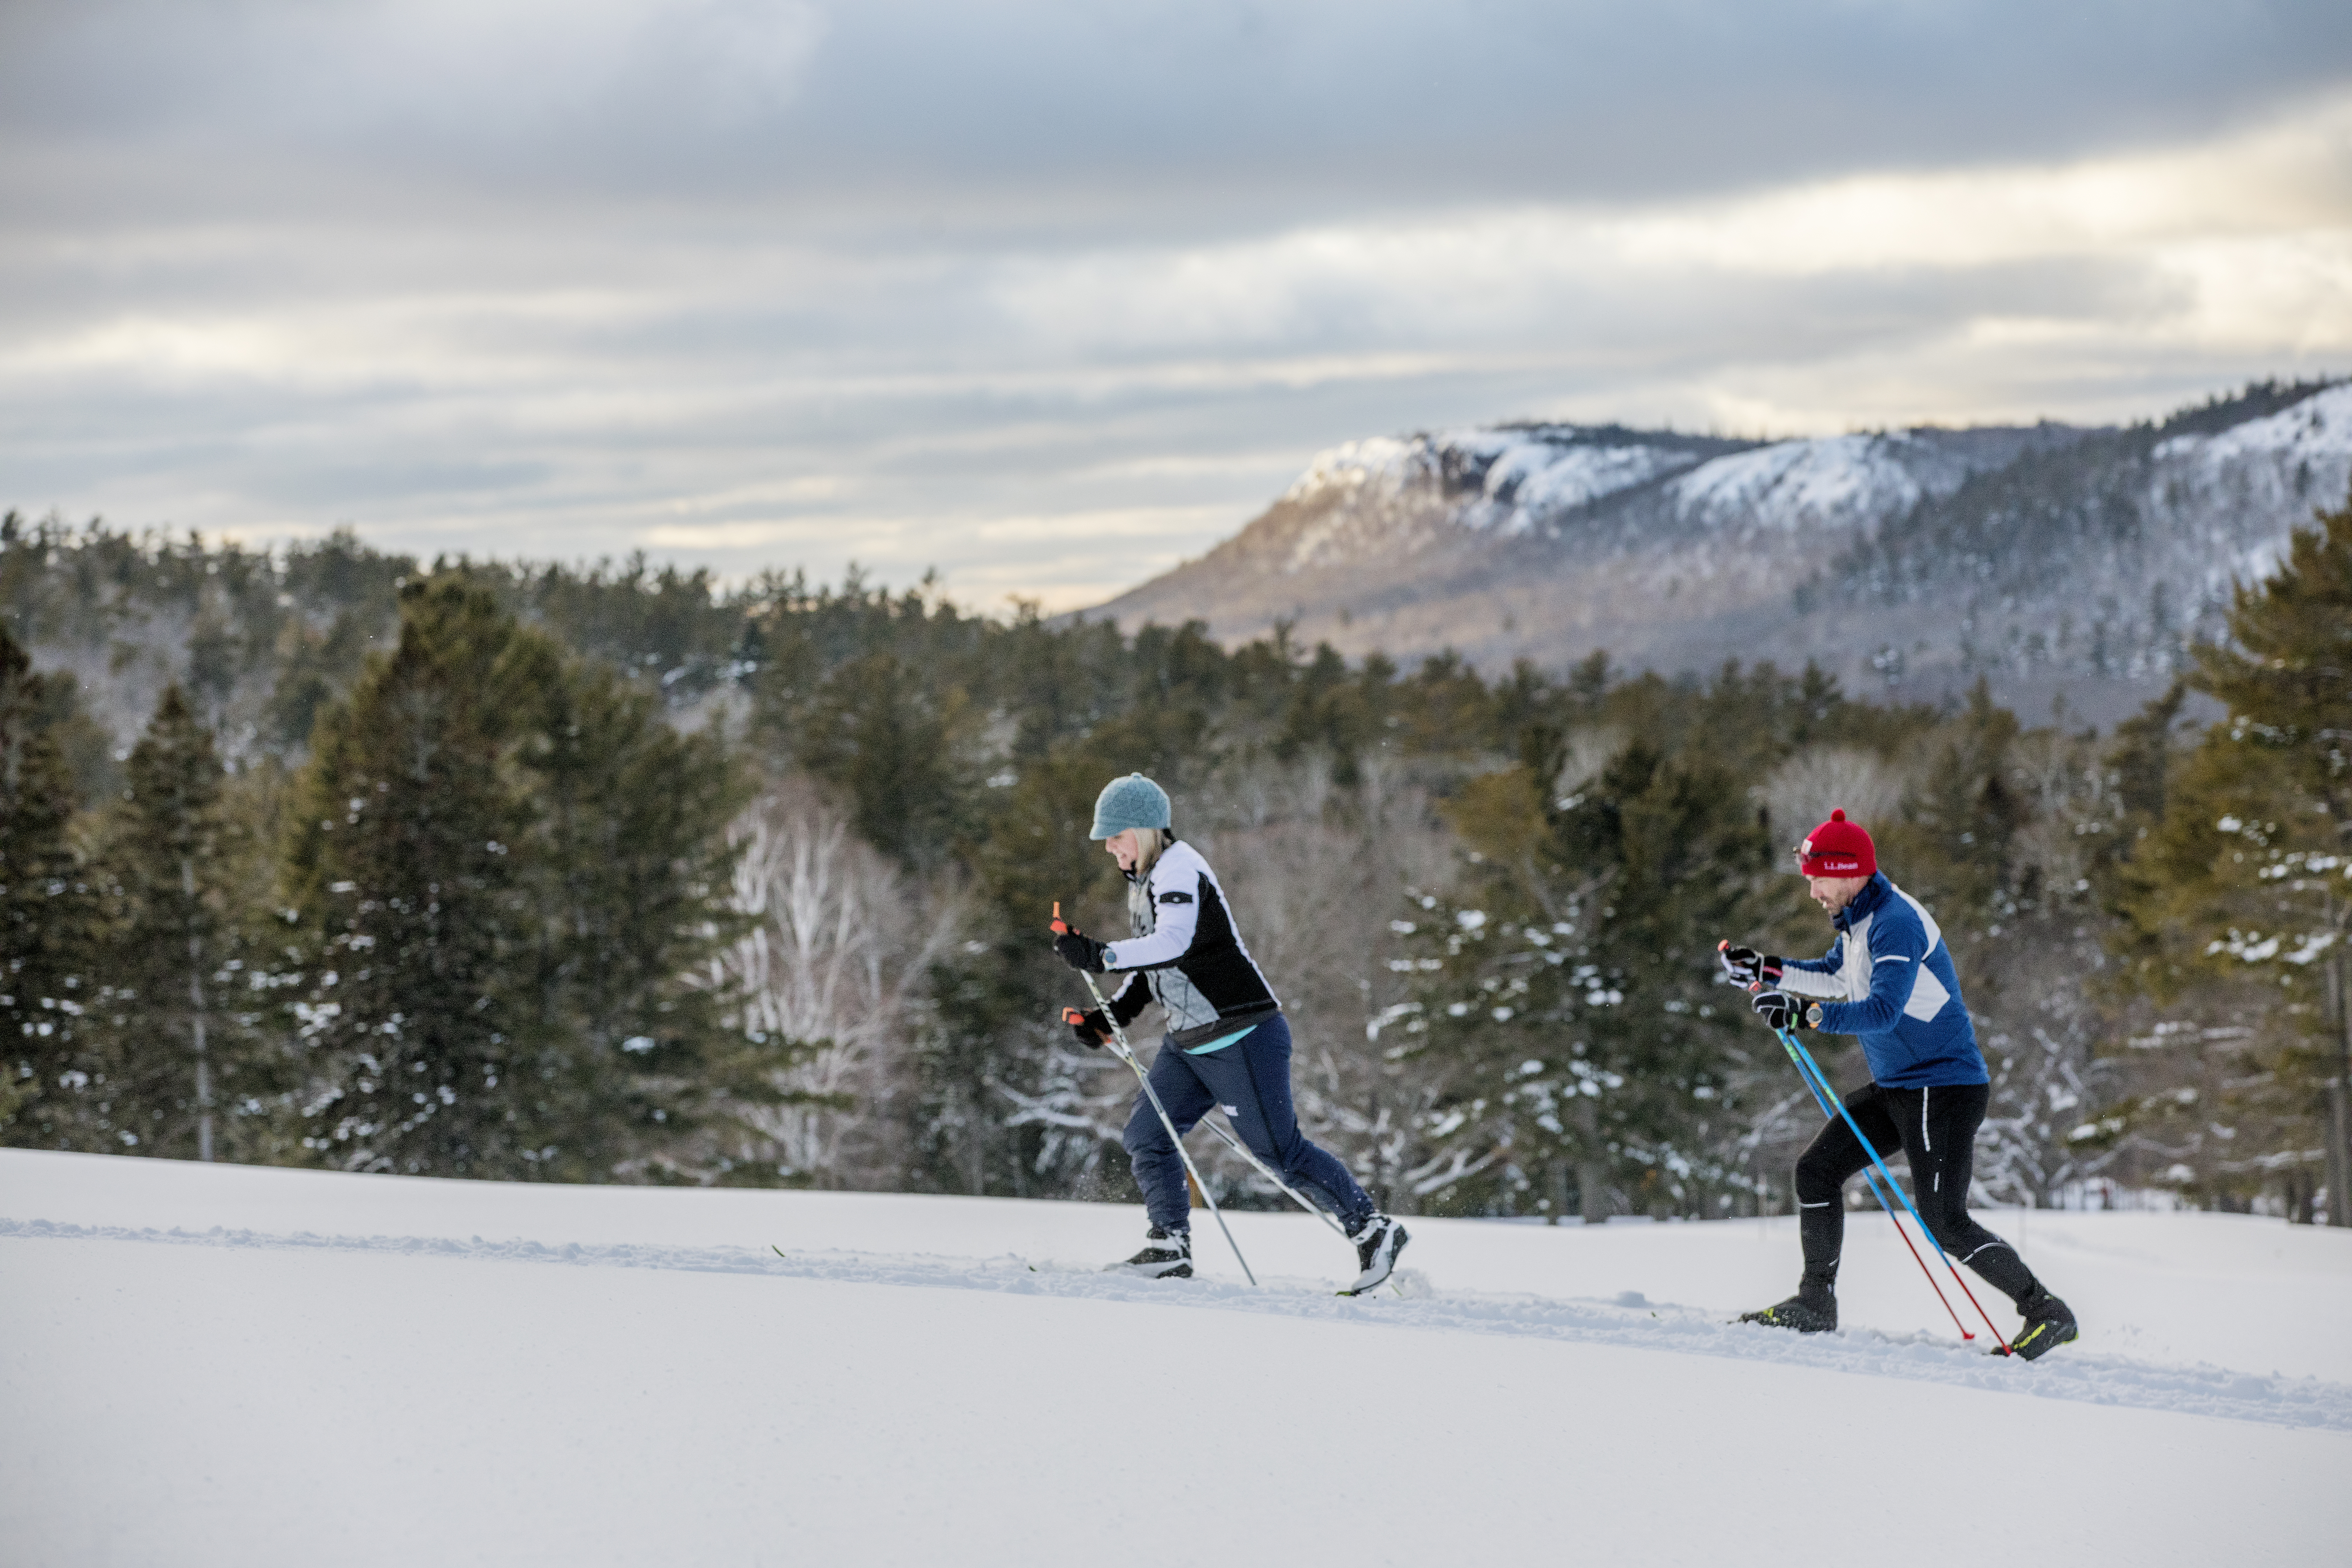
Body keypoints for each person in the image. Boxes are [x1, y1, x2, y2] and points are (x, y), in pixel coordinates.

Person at [1721, 808, 2078, 1359]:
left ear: (1845, 872)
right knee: (1816, 1172)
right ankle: (1815, 1305)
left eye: (1817, 878)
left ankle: (2047, 1311)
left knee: (1944, 1220)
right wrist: (1766, 971)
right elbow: (1838, 977)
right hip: (1899, 1088)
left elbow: (1883, 1010)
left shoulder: (1896, 922)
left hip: (1945, 1087)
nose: (1813, 891)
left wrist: (1805, 1016)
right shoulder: (1860, 922)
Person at [1052, 771, 1409, 1293]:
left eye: (1116, 836)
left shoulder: (1180, 870)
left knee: (1278, 1153)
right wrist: (1111, 1017)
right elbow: (1156, 969)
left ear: (1146, 830)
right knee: (1147, 1137)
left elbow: (1173, 942)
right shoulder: (1145, 881)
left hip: (1241, 1034)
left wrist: (1102, 955)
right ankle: (1169, 1246)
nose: (1109, 849)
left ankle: (1374, 1230)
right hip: (1189, 1042)